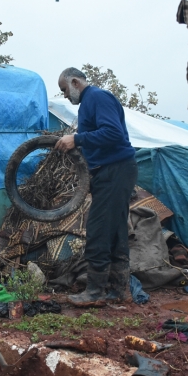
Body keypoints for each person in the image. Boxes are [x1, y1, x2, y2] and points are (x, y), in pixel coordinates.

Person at [54, 67, 138, 307]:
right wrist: (79, 138)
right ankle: (121, 290)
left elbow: (113, 133)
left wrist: (77, 139)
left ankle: (95, 292)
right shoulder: (89, 103)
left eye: (64, 89)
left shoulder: (97, 97)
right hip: (113, 170)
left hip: (115, 170)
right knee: (115, 230)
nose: (64, 96)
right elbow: (102, 135)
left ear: (75, 82)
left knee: (98, 228)